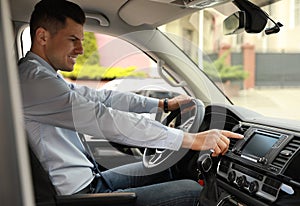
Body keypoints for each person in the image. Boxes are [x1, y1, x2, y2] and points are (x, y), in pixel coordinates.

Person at [18, 0, 244, 205]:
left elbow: (102, 97)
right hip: (79, 196)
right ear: (42, 37)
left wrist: (162, 105)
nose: (81, 49)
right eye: (73, 40)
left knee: (168, 169)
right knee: (194, 192)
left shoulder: (42, 76)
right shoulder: (35, 82)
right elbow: (103, 118)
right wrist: (191, 139)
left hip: (91, 180)